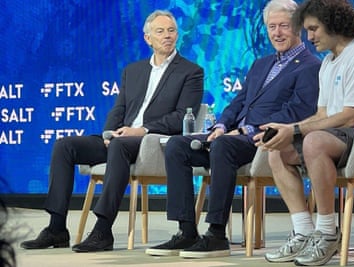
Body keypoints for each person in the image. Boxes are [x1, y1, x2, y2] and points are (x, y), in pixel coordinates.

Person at [145, 0, 321, 259]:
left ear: (298, 27)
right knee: (177, 145)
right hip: (231, 138)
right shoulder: (261, 64)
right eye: (272, 26)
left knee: (223, 145)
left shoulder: (310, 66)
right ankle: (186, 231)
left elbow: (297, 111)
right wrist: (221, 125)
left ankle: (216, 234)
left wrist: (245, 130)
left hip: (264, 139)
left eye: (284, 26)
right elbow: (239, 101)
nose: (277, 32)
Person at [20, 10, 204, 253]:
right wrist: (109, 134)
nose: (167, 36)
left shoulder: (191, 71)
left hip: (153, 141)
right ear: (148, 38)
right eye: (160, 31)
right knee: (65, 146)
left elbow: (181, 116)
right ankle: (56, 228)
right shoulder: (133, 70)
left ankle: (103, 230)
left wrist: (141, 130)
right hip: (121, 138)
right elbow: (119, 109)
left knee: (120, 145)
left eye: (171, 31)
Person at [254, 0, 354, 265]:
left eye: (314, 29)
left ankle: (327, 233)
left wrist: (296, 129)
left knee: (314, 142)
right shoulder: (328, 62)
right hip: (353, 135)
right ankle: (304, 231)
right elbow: (323, 115)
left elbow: (351, 116)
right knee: (278, 149)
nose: (309, 36)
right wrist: (286, 132)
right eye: (307, 30)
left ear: (334, 25)